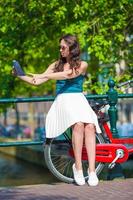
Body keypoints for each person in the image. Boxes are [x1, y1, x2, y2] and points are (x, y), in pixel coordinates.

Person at [12, 34, 101, 186]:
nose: (60, 50)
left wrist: (44, 74)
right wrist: (20, 75)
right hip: (63, 100)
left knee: (90, 126)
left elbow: (69, 74)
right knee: (78, 124)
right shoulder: (55, 65)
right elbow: (37, 81)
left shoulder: (83, 64)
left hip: (79, 99)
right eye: (60, 47)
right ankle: (78, 168)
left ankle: (92, 171)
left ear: (72, 48)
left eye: (63, 47)